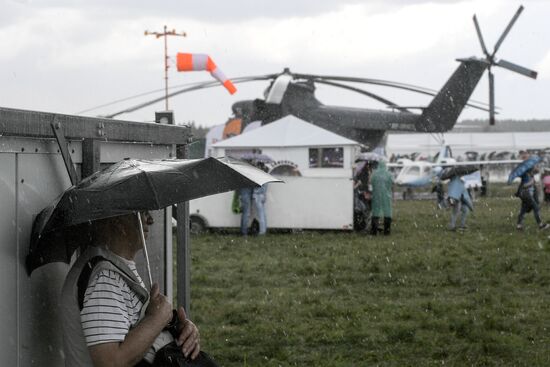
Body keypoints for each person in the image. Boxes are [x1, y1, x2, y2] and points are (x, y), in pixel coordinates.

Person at [61, 211, 217, 367]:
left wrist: (179, 330)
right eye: (142, 213)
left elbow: (133, 328)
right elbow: (111, 362)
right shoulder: (104, 278)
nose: (150, 220)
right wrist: (157, 319)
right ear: (118, 222)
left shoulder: (114, 268)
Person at [515, 158, 548, 230]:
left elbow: (536, 172)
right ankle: (541, 225)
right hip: (526, 195)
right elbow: (524, 185)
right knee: (536, 208)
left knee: (523, 210)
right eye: (533, 166)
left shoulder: (530, 174)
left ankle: (519, 225)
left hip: (526, 194)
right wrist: (531, 183)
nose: (534, 167)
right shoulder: (526, 175)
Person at [370, 161, 393, 235]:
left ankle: (374, 231)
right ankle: (387, 231)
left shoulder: (374, 174)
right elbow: (392, 183)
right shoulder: (389, 174)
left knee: (375, 212)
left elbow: (371, 183)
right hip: (386, 195)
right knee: (387, 213)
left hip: (376, 195)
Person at [252, 161, 269, 235]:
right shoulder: (265, 176)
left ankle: (262, 231)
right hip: (262, 195)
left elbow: (256, 186)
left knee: (261, 215)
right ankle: (264, 229)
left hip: (258, 195)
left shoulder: (259, 176)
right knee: (263, 214)